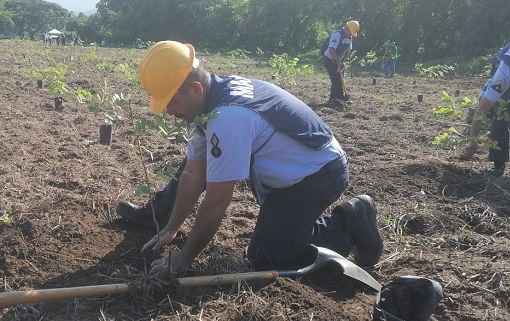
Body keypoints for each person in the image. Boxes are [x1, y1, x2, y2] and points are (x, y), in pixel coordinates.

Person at [120, 40, 383, 277]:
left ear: (195, 88)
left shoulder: (228, 117)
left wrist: (183, 258)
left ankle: (347, 223)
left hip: (317, 173)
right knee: (275, 237)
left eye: (170, 102)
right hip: (289, 172)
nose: (168, 112)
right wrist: (171, 227)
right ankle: (294, 227)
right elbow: (193, 173)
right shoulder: (207, 103)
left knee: (267, 257)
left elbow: (217, 201)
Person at [461, 39, 510, 176]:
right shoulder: (503, 76)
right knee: (500, 114)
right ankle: (498, 163)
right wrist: (473, 141)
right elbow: (481, 109)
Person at [321, 21, 359, 108]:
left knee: (340, 80)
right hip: (330, 61)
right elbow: (331, 50)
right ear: (347, 28)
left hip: (339, 61)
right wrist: (338, 62)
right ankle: (335, 100)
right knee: (336, 80)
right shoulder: (337, 35)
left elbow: (348, 51)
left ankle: (337, 99)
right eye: (351, 32)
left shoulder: (349, 38)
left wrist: (343, 62)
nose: (351, 35)